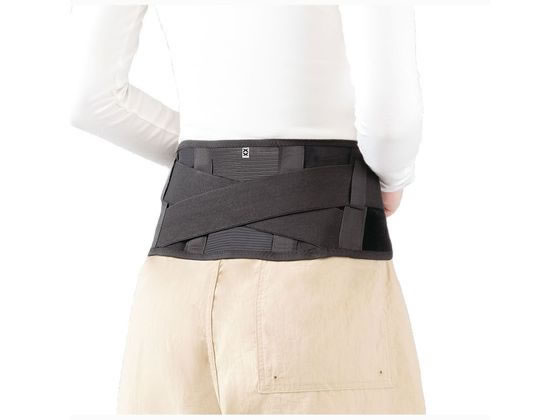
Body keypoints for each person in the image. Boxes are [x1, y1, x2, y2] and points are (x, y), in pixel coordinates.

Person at [70, 3, 425, 414]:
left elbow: (91, 98)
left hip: (170, 299)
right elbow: (390, 124)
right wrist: (392, 177)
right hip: (311, 288)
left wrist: (220, 171)